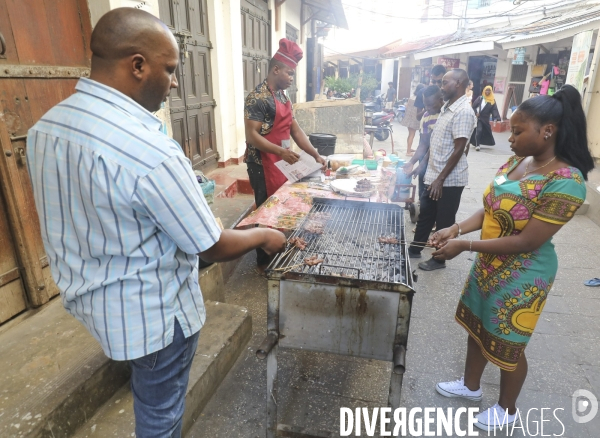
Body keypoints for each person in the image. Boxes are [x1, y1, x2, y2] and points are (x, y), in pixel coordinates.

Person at [25, 8, 287, 438]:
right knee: (160, 417)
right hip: (155, 317)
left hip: (97, 305)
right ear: (137, 65)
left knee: (149, 396)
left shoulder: (46, 128)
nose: (176, 81)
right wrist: (265, 234)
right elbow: (209, 245)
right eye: (169, 69)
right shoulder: (151, 151)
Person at [430, 85, 593, 432]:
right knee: (477, 327)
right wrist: (455, 229)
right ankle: (470, 387)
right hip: (490, 263)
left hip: (523, 273)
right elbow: (490, 207)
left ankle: (507, 409)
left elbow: (526, 241)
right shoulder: (519, 161)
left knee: (508, 341)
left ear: (547, 131)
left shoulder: (567, 181)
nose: (511, 138)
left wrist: (466, 247)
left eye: (518, 131)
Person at [244, 38, 326, 273]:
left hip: (282, 161)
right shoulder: (257, 97)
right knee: (266, 210)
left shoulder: (283, 97)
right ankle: (263, 259)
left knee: (283, 208)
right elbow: (252, 135)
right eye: (289, 73)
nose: (291, 78)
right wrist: (281, 151)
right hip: (262, 163)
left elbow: (295, 130)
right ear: (276, 69)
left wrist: (315, 154)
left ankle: (279, 248)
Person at [408, 69, 476, 271]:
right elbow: (434, 143)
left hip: (449, 180)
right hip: (434, 175)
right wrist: (423, 167)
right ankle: (415, 248)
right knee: (426, 214)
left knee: (444, 221)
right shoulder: (447, 107)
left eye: (445, 82)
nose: (441, 86)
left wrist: (440, 180)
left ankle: (439, 260)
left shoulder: (463, 111)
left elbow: (459, 149)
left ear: (458, 83)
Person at [403, 85, 444, 201]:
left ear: (440, 100)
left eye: (431, 105)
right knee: (424, 193)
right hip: (428, 160)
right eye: (425, 105)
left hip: (444, 164)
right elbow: (424, 144)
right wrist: (412, 162)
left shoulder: (448, 115)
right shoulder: (426, 116)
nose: (428, 109)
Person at [470, 85, 501, 152]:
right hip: (479, 118)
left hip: (486, 119)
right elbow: (474, 107)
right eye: (486, 90)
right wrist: (476, 113)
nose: (488, 91)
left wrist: (495, 118)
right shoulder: (480, 98)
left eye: (489, 90)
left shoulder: (492, 100)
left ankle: (480, 142)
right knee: (479, 130)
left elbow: (494, 110)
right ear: (484, 91)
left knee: (485, 131)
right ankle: (477, 145)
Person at [400, 83, 425, 156]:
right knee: (412, 135)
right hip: (414, 119)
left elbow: (407, 106)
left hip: (409, 118)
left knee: (410, 134)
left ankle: (409, 148)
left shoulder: (411, 97)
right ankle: (408, 152)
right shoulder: (420, 98)